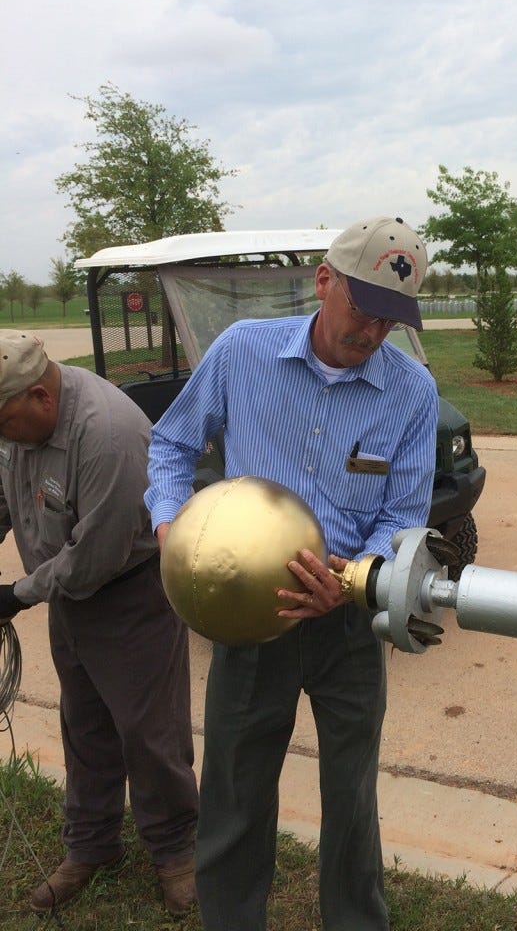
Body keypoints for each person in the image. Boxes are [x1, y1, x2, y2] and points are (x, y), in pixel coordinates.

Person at [146, 216, 438, 930]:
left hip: (348, 626)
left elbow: (402, 517)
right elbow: (171, 443)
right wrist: (171, 524)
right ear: (324, 282)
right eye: (361, 308)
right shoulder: (242, 352)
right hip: (248, 621)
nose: (371, 332)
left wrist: (347, 576)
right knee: (236, 798)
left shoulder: (412, 392)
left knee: (351, 801)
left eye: (390, 320)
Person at [0, 330, 199, 917]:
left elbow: (95, 557)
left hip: (130, 593)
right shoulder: (13, 420)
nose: (1, 435)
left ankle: (175, 852)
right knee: (84, 724)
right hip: (69, 595)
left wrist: (15, 594)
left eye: (5, 422)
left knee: (149, 732)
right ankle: (91, 846)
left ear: (41, 397)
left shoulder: (108, 435)